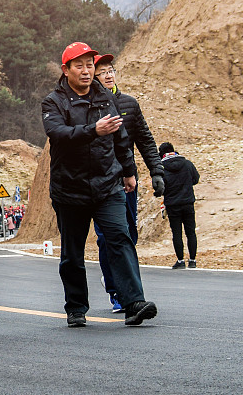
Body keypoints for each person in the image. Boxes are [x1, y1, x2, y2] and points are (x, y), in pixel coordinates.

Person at [42, 42, 157, 328]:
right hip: (70, 189)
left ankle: (133, 302)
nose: (86, 71)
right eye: (78, 65)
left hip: (108, 185)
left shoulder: (105, 96)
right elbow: (59, 134)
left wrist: (128, 172)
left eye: (89, 65)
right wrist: (94, 130)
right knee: (72, 252)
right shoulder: (53, 102)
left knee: (120, 238)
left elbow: (121, 137)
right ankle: (76, 307)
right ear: (65, 70)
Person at [93, 53, 165, 312]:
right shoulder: (87, 107)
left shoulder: (129, 104)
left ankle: (130, 289)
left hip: (127, 182)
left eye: (110, 69)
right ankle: (116, 292)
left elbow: (145, 139)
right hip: (101, 185)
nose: (108, 74)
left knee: (127, 236)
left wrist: (156, 171)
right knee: (107, 237)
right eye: (102, 72)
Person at [157, 142, 200, 269]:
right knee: (191, 232)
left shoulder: (162, 168)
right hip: (188, 203)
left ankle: (180, 261)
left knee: (177, 233)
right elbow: (196, 179)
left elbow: (160, 188)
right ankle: (192, 260)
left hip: (172, 205)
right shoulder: (187, 163)